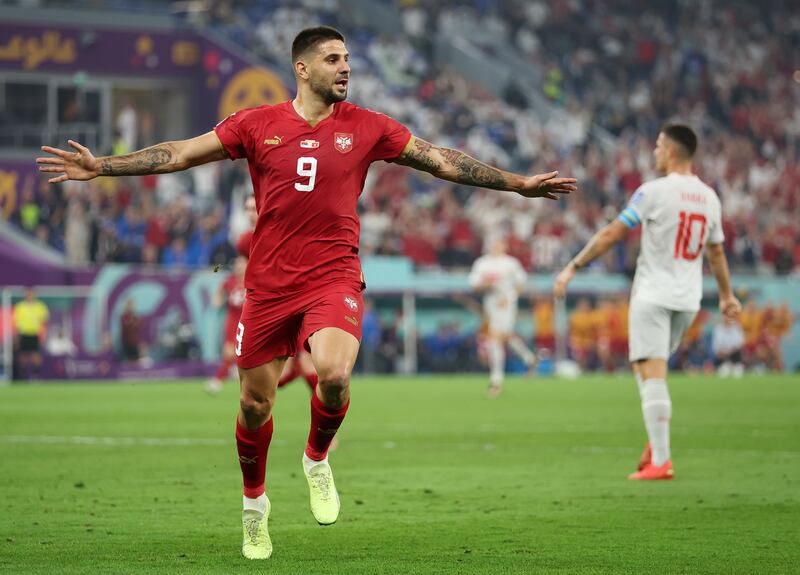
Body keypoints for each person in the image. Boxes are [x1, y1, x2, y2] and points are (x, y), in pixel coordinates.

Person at [36, 25, 576, 559]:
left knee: (335, 376)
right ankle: (255, 508)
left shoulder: (369, 127)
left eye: (348, 60)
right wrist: (102, 166)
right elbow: (178, 153)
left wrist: (518, 183)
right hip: (269, 285)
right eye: (333, 59)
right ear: (303, 68)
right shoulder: (256, 124)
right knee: (254, 405)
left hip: (333, 275)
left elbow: (441, 160)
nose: (345, 68)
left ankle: (316, 457)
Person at [554, 124, 740, 481]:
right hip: (688, 301)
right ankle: (656, 444)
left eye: (657, 146)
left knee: (651, 373)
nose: (654, 153)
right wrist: (728, 296)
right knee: (645, 368)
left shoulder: (653, 192)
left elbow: (613, 232)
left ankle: (662, 460)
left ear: (670, 151)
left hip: (653, 295)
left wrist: (573, 267)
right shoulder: (710, 197)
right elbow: (715, 252)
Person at [468, 237, 537, 397]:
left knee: (496, 338)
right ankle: (529, 359)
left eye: (499, 243)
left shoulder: (511, 263)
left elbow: (521, 284)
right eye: (493, 243)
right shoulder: (481, 263)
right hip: (490, 304)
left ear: (504, 246)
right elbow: (474, 284)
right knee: (503, 337)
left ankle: (496, 381)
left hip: (506, 304)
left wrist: (509, 298)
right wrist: (486, 285)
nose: (496, 246)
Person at [206, 255, 248, 394]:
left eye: (242, 264)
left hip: (248, 320)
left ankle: (237, 376)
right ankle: (218, 381)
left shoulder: (252, 280)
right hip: (232, 320)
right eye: (237, 264)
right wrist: (216, 300)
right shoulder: (229, 281)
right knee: (229, 351)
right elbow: (219, 292)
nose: (239, 267)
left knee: (244, 352)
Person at [12, 287, 49, 379]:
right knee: (23, 354)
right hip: (24, 333)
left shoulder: (40, 306)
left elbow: (45, 320)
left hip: (35, 333)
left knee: (36, 354)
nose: (30, 295)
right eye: (28, 294)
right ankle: (23, 375)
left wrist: (44, 333)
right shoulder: (20, 306)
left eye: (31, 294)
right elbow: (16, 322)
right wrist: (17, 335)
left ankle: (35, 375)